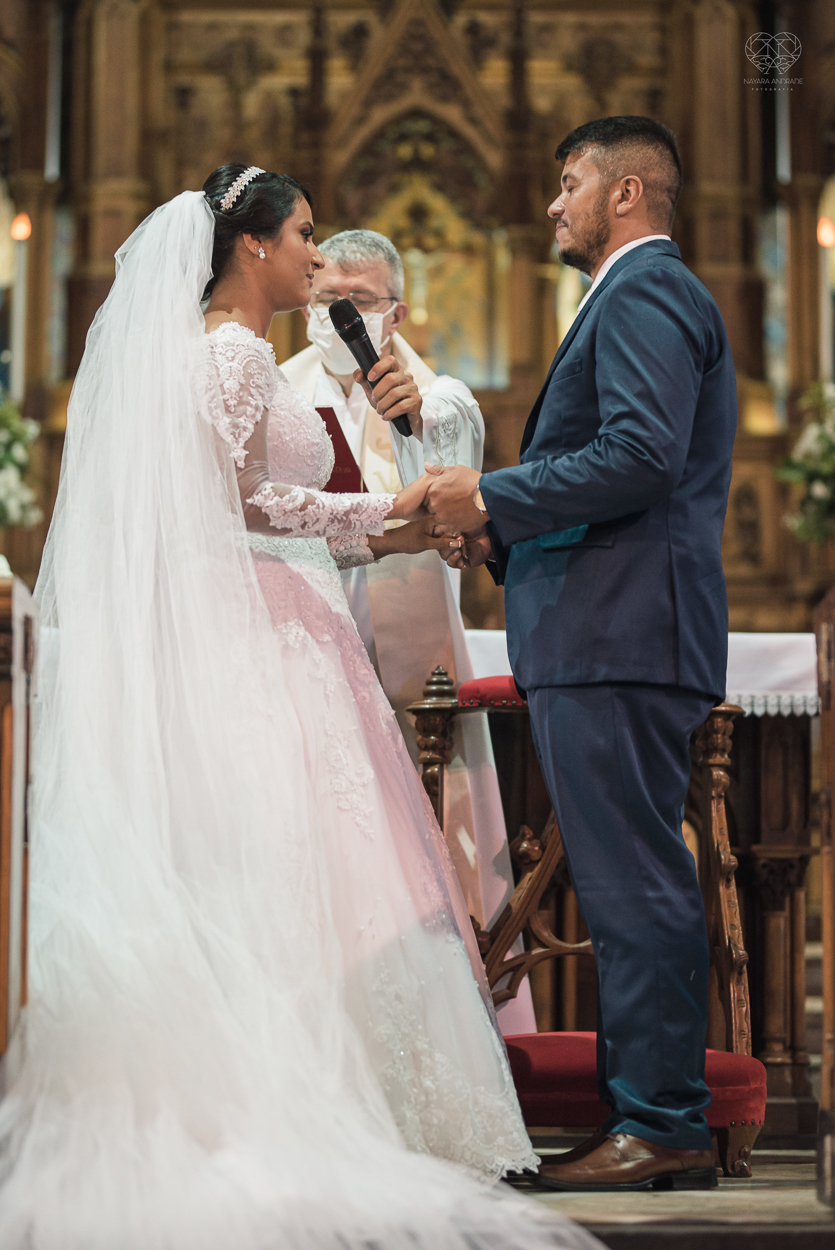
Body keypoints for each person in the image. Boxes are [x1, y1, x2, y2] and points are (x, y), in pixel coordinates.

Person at [0, 164, 605, 1250]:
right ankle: (326, 1101)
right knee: (310, 875)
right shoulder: (235, 354)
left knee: (299, 874)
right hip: (268, 629)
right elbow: (242, 503)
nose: (315, 259)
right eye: (304, 237)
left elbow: (248, 512)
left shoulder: (218, 349)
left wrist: (393, 523)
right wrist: (381, 511)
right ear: (252, 246)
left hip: (281, 611)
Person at [426, 116, 737, 1192]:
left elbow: (641, 454)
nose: (553, 204)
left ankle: (659, 1122)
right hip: (610, 625)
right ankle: (651, 1118)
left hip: (619, 630)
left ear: (626, 194)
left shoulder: (643, 289)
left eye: (569, 183)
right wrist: (504, 531)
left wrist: (492, 495)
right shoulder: (636, 294)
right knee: (626, 883)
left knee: (634, 883)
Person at [281, 231, 535, 1032]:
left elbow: (457, 450)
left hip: (411, 653)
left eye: (357, 302)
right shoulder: (277, 391)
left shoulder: (435, 393)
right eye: (326, 298)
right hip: (304, 635)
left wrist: (416, 414)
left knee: (433, 827)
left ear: (394, 312)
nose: (337, 315)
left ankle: (449, 1022)